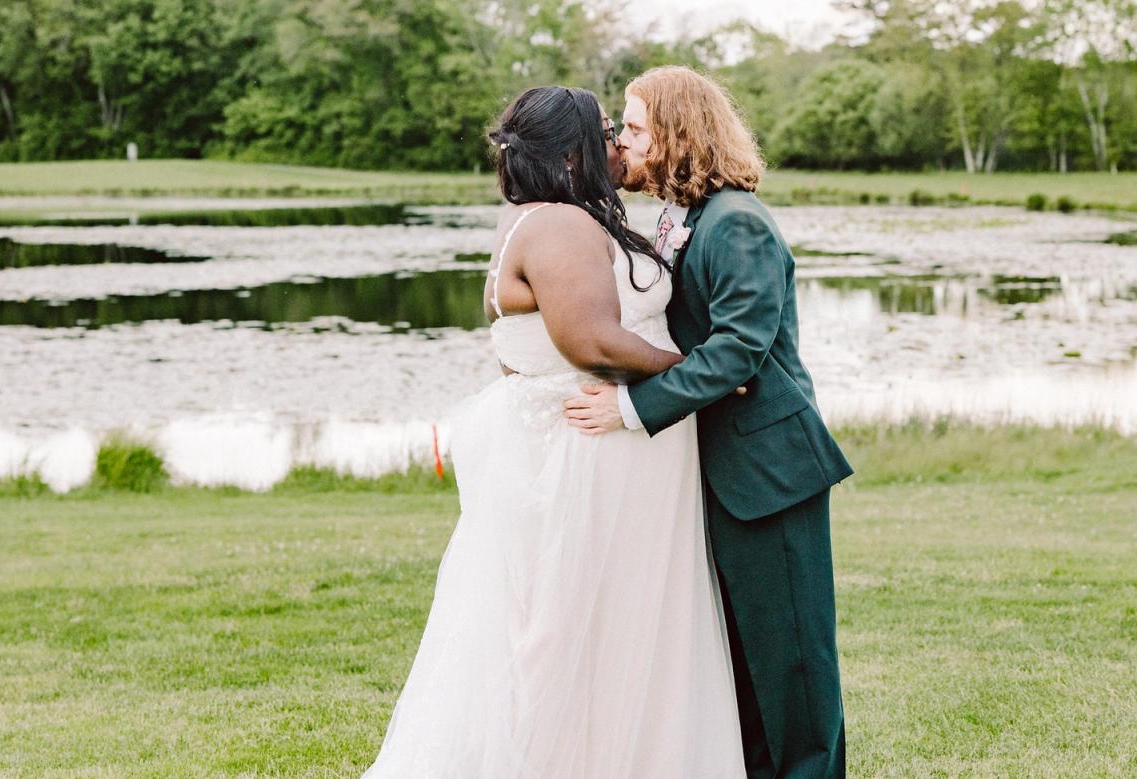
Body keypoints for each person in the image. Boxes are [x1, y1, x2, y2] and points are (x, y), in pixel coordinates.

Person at [362, 85, 746, 779]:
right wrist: (702, 371)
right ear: (571, 153)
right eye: (606, 130)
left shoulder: (551, 216)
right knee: (575, 637)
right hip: (589, 454)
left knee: (599, 633)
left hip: (606, 449)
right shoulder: (560, 226)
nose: (616, 143)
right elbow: (591, 341)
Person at [564, 66, 854, 779]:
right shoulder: (685, 216)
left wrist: (630, 409)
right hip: (717, 470)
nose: (623, 142)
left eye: (635, 128)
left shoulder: (737, 222)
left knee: (793, 672)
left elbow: (737, 349)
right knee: (740, 670)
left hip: (768, 474)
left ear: (676, 134)